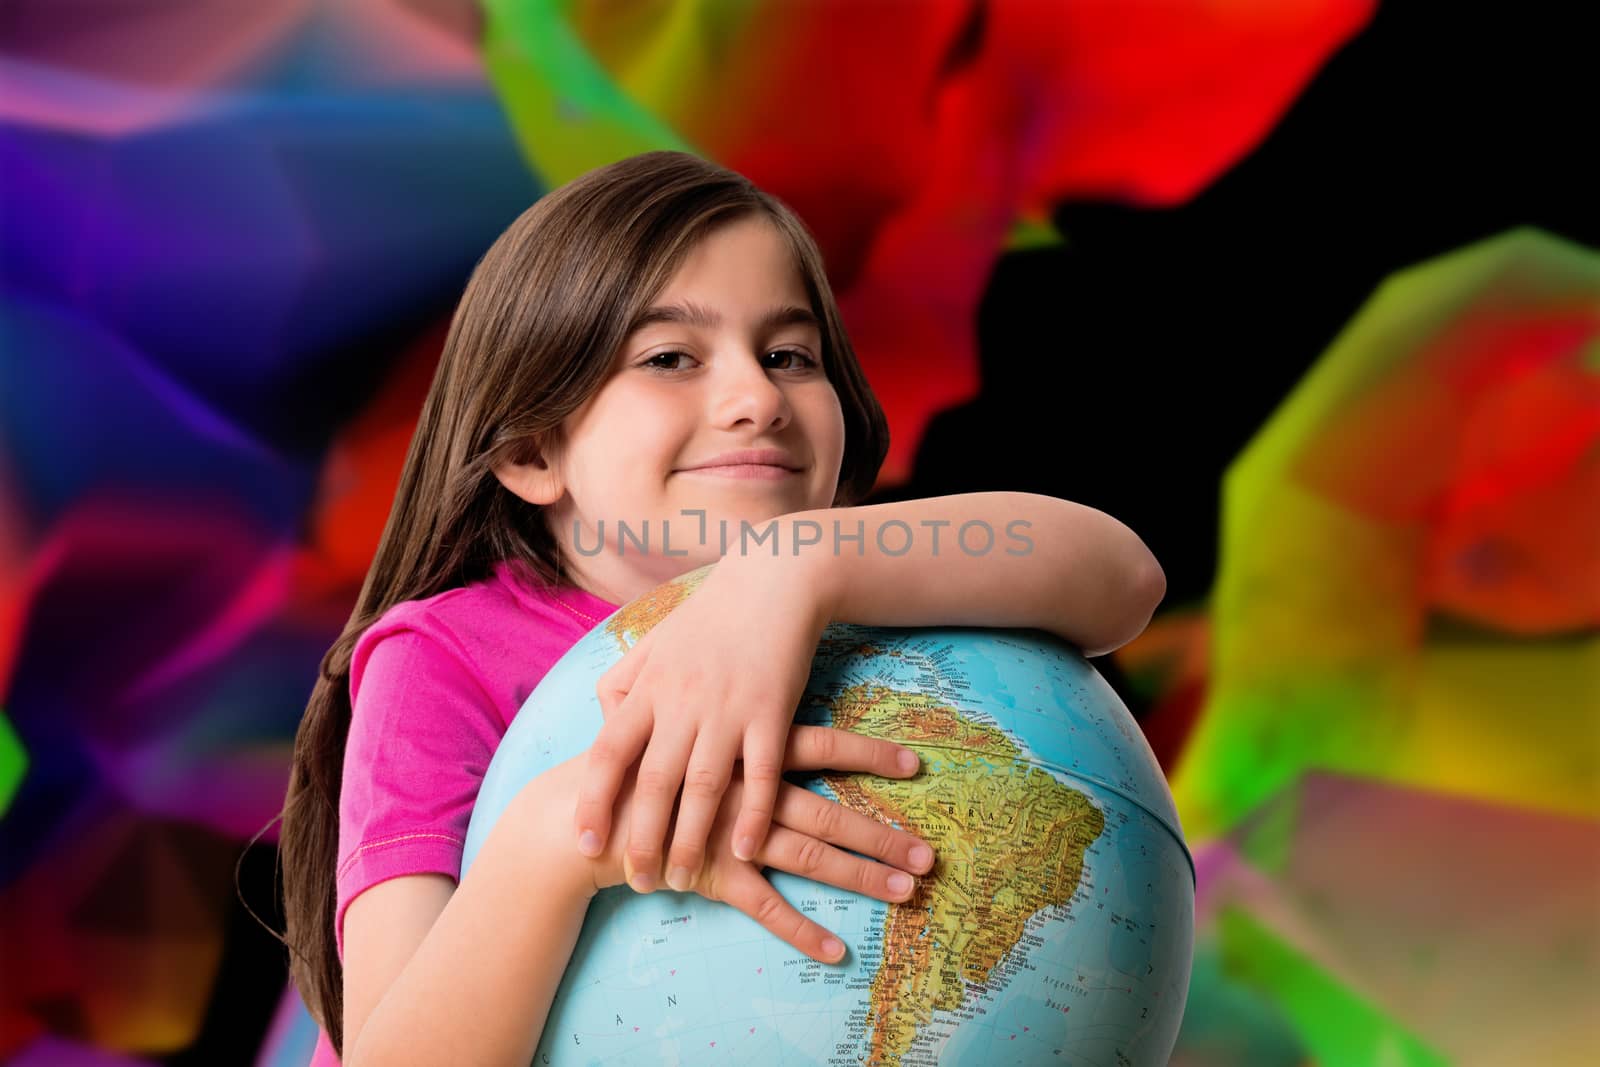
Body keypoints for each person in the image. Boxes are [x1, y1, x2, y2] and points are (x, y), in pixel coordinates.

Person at [276, 150, 1166, 1066]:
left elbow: (1121, 574)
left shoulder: (865, 582)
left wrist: (798, 561)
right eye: (669, 357)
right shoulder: (445, 657)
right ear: (534, 450)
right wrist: (563, 839)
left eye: (790, 354)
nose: (757, 398)